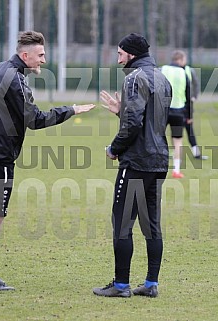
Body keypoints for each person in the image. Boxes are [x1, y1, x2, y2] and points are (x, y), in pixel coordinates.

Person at [0, 30, 95, 291]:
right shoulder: (16, 80)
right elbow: (36, 119)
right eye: (40, 55)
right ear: (25, 55)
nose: (44, 60)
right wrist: (71, 110)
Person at [92, 33, 171, 298]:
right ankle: (151, 285)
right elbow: (153, 120)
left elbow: (134, 123)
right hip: (159, 161)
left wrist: (114, 149)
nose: (118, 57)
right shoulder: (162, 79)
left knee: (122, 223)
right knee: (152, 224)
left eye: (120, 53)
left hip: (136, 161)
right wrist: (120, 110)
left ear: (131, 54)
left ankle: (121, 285)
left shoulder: (134, 78)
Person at [161, 51, 191, 178]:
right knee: (178, 141)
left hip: (162, 110)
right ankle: (176, 170)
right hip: (178, 111)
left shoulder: (162, 69)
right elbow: (188, 96)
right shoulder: (184, 73)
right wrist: (189, 115)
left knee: (156, 138)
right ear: (181, 60)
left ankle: (156, 166)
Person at [178, 51, 208, 160]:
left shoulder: (189, 70)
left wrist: (194, 96)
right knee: (175, 131)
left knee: (189, 129)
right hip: (175, 106)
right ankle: (176, 154)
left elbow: (196, 84)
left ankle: (196, 153)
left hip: (186, 105)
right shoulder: (172, 71)